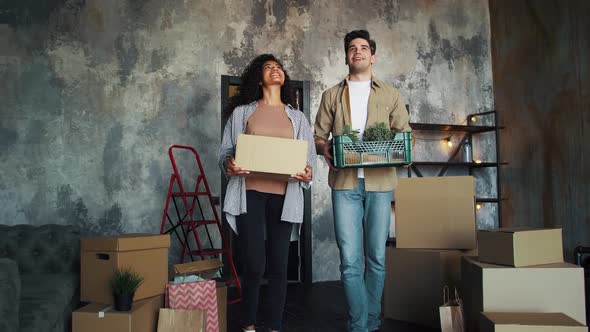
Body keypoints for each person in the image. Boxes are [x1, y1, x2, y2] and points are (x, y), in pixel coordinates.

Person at [314, 30, 411, 332]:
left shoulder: (391, 94)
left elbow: (403, 134)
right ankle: (360, 325)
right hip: (344, 186)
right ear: (346, 56)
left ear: (373, 56)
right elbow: (319, 136)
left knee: (377, 258)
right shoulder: (331, 95)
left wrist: (403, 152)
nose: (357, 52)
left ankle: (370, 322)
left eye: (363, 48)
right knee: (350, 261)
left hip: (380, 185)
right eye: (352, 48)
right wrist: (323, 147)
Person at [218, 54, 316, 332]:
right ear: (258, 78)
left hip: (285, 197)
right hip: (250, 193)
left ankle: (274, 325)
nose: (275, 70)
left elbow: (309, 160)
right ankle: (248, 324)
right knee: (254, 263)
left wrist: (308, 173)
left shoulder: (297, 118)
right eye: (268, 67)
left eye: (279, 67)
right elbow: (225, 152)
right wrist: (229, 164)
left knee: (279, 264)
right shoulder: (242, 114)